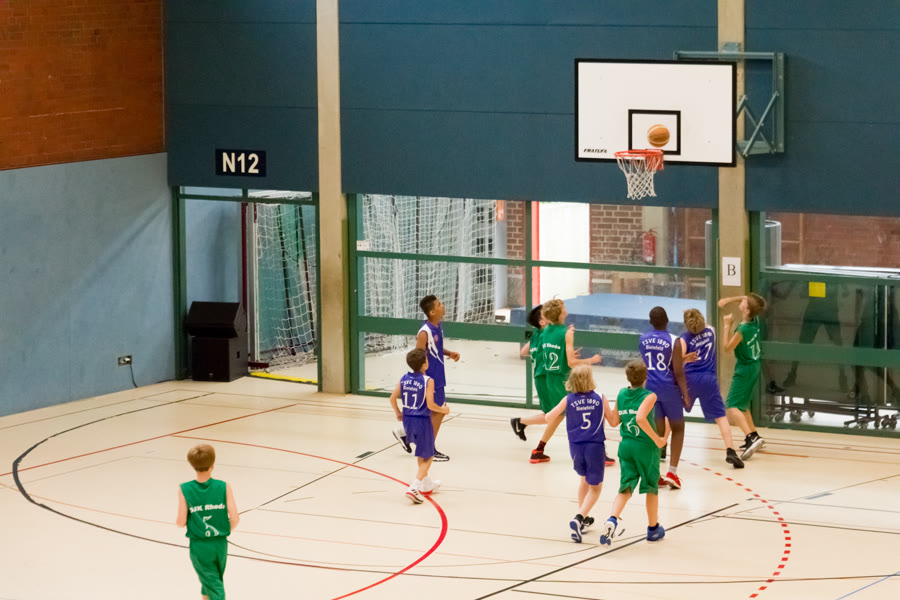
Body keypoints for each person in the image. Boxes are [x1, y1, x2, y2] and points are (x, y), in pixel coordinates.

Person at [511, 298, 601, 463]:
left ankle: (538, 448)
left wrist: (565, 350)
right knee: (581, 411)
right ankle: (595, 452)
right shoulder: (565, 333)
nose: (566, 310)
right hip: (562, 380)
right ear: (561, 314)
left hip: (550, 379)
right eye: (564, 308)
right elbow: (571, 363)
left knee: (556, 414)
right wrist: (592, 360)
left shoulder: (545, 332)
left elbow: (540, 351)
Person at [543, 365, 617, 542]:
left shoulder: (568, 399)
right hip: (595, 446)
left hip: (575, 447)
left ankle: (582, 519)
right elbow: (613, 422)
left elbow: (548, 417)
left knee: (583, 480)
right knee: (596, 488)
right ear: (590, 379)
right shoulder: (600, 397)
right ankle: (579, 517)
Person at [599, 360, 667, 546]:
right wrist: (657, 439)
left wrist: (604, 405)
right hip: (645, 448)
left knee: (625, 487)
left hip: (626, 446)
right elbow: (640, 418)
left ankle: (612, 519)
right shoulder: (650, 396)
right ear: (646, 377)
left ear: (627, 378)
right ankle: (653, 529)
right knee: (651, 487)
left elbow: (614, 422)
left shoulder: (622, 393)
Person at [393, 294, 459, 461]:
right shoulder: (424, 332)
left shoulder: (437, 326)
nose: (442, 306)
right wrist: (421, 380)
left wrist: (449, 353)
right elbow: (418, 356)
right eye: (439, 304)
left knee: (432, 412)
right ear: (432, 312)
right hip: (430, 379)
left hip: (438, 375)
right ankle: (429, 449)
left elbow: (435, 347)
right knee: (439, 411)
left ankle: (405, 434)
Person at [679, 308, 744, 468]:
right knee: (721, 417)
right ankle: (731, 451)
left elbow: (677, 360)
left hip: (690, 379)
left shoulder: (684, 339)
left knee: (673, 411)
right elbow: (704, 325)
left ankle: (662, 446)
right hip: (709, 379)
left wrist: (685, 358)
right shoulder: (711, 331)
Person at [638, 307, 694, 489]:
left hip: (650, 389)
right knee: (678, 428)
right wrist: (686, 394)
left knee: (657, 433)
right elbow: (677, 371)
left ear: (650, 321)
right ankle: (672, 473)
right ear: (667, 320)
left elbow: (650, 363)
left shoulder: (643, 339)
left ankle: (654, 474)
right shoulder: (673, 340)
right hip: (669, 389)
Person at [176, 444, 239, 600]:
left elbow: (181, 522)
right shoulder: (223, 486)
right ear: (212, 464)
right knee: (211, 581)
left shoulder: (185, 489)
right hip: (220, 544)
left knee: (214, 587)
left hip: (200, 546)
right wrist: (222, 530)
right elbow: (235, 518)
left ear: (192, 465)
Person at [389, 348, 449, 503]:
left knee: (421, 452)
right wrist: (443, 409)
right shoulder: (428, 381)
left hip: (407, 421)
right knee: (428, 455)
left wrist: (398, 412)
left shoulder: (404, 378)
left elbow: (392, 398)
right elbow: (430, 404)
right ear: (424, 364)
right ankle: (414, 487)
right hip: (422, 421)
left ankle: (426, 485)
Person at [719, 293, 767, 460]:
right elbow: (747, 297)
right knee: (743, 405)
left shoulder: (742, 330)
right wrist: (728, 299)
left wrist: (727, 325)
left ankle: (750, 438)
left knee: (732, 405)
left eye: (744, 302)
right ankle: (755, 435)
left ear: (746, 310)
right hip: (754, 365)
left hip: (745, 369)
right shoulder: (755, 320)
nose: (743, 299)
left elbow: (727, 348)